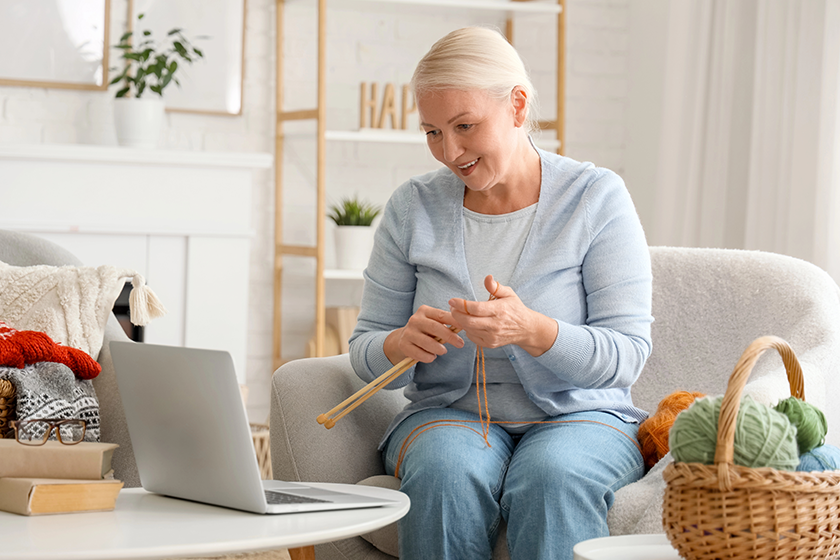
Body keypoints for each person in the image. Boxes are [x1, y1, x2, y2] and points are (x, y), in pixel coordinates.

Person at [349, 26, 653, 560]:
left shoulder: (595, 197)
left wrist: (533, 330)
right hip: (448, 414)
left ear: (517, 106)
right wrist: (399, 344)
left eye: (465, 126)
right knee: (445, 469)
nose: (450, 151)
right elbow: (365, 349)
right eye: (433, 132)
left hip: (582, 417)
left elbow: (627, 355)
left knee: (552, 476)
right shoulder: (411, 207)